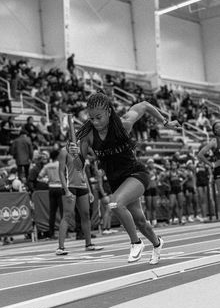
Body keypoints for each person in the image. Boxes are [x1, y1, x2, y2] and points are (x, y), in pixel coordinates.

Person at [69, 91, 180, 264]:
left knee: (115, 203)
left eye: (99, 117)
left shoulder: (124, 124)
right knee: (141, 222)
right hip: (116, 181)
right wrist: (74, 155)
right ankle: (157, 244)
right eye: (91, 119)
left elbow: (144, 104)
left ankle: (136, 243)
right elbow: (78, 167)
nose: (95, 122)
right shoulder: (88, 136)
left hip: (136, 174)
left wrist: (165, 122)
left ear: (109, 112)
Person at [57, 146, 103, 255]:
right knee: (67, 215)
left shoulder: (81, 152)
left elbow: (83, 172)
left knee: (86, 215)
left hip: (82, 187)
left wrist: (90, 191)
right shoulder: (64, 152)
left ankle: (89, 244)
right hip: (70, 186)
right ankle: (60, 247)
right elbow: (61, 172)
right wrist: (66, 190)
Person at [197, 120, 220, 220]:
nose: (219, 129)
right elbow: (200, 154)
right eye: (217, 128)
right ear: (214, 131)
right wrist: (212, 164)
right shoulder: (214, 141)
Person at [38, 150, 63, 239]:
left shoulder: (47, 166)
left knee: (52, 212)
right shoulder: (60, 164)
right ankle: (64, 232)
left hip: (51, 188)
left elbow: (39, 177)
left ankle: (51, 233)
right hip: (60, 187)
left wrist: (47, 181)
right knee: (62, 211)